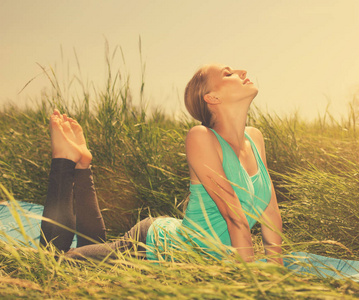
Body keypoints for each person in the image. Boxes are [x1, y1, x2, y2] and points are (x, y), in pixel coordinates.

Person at [40, 64, 284, 265]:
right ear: (212, 97)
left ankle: (82, 164)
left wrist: (277, 274)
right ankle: (63, 160)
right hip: (152, 246)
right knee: (57, 262)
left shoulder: (255, 138)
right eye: (228, 74)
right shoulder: (201, 137)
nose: (242, 72)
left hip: (196, 252)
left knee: (91, 253)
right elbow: (235, 217)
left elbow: (271, 213)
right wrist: (252, 285)